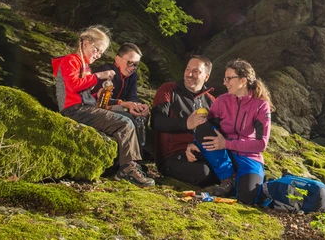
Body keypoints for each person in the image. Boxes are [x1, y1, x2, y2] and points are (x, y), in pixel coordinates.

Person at [51, 26, 154, 188]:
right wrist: (99, 77)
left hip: (85, 107)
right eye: (96, 50)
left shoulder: (84, 65)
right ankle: (127, 169)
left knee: (126, 119)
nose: (98, 55)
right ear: (85, 43)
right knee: (125, 123)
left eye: (101, 53)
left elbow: (90, 95)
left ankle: (132, 163)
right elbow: (73, 86)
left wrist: (111, 100)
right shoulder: (70, 60)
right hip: (74, 109)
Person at [187, 59, 272, 204]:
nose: (225, 83)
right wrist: (192, 144)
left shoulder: (261, 106)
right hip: (224, 156)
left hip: (249, 157)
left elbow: (261, 144)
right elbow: (206, 130)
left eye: (229, 79)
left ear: (243, 80)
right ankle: (228, 178)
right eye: (224, 78)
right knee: (202, 125)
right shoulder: (221, 101)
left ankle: (244, 182)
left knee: (247, 199)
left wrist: (227, 143)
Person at [150, 55, 214, 186]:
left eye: (196, 71)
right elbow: (156, 121)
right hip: (172, 157)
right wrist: (186, 123)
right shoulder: (168, 89)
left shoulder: (212, 101)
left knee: (229, 168)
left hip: (202, 153)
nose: (189, 74)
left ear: (206, 77)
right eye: (187, 69)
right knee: (205, 173)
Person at [92, 43, 150, 154]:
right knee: (126, 116)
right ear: (118, 59)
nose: (132, 68)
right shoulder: (106, 71)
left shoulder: (133, 76)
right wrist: (124, 104)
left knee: (141, 114)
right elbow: (101, 99)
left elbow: (132, 96)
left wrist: (138, 105)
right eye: (129, 63)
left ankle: (138, 149)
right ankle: (132, 154)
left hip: (118, 106)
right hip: (98, 108)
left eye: (136, 65)